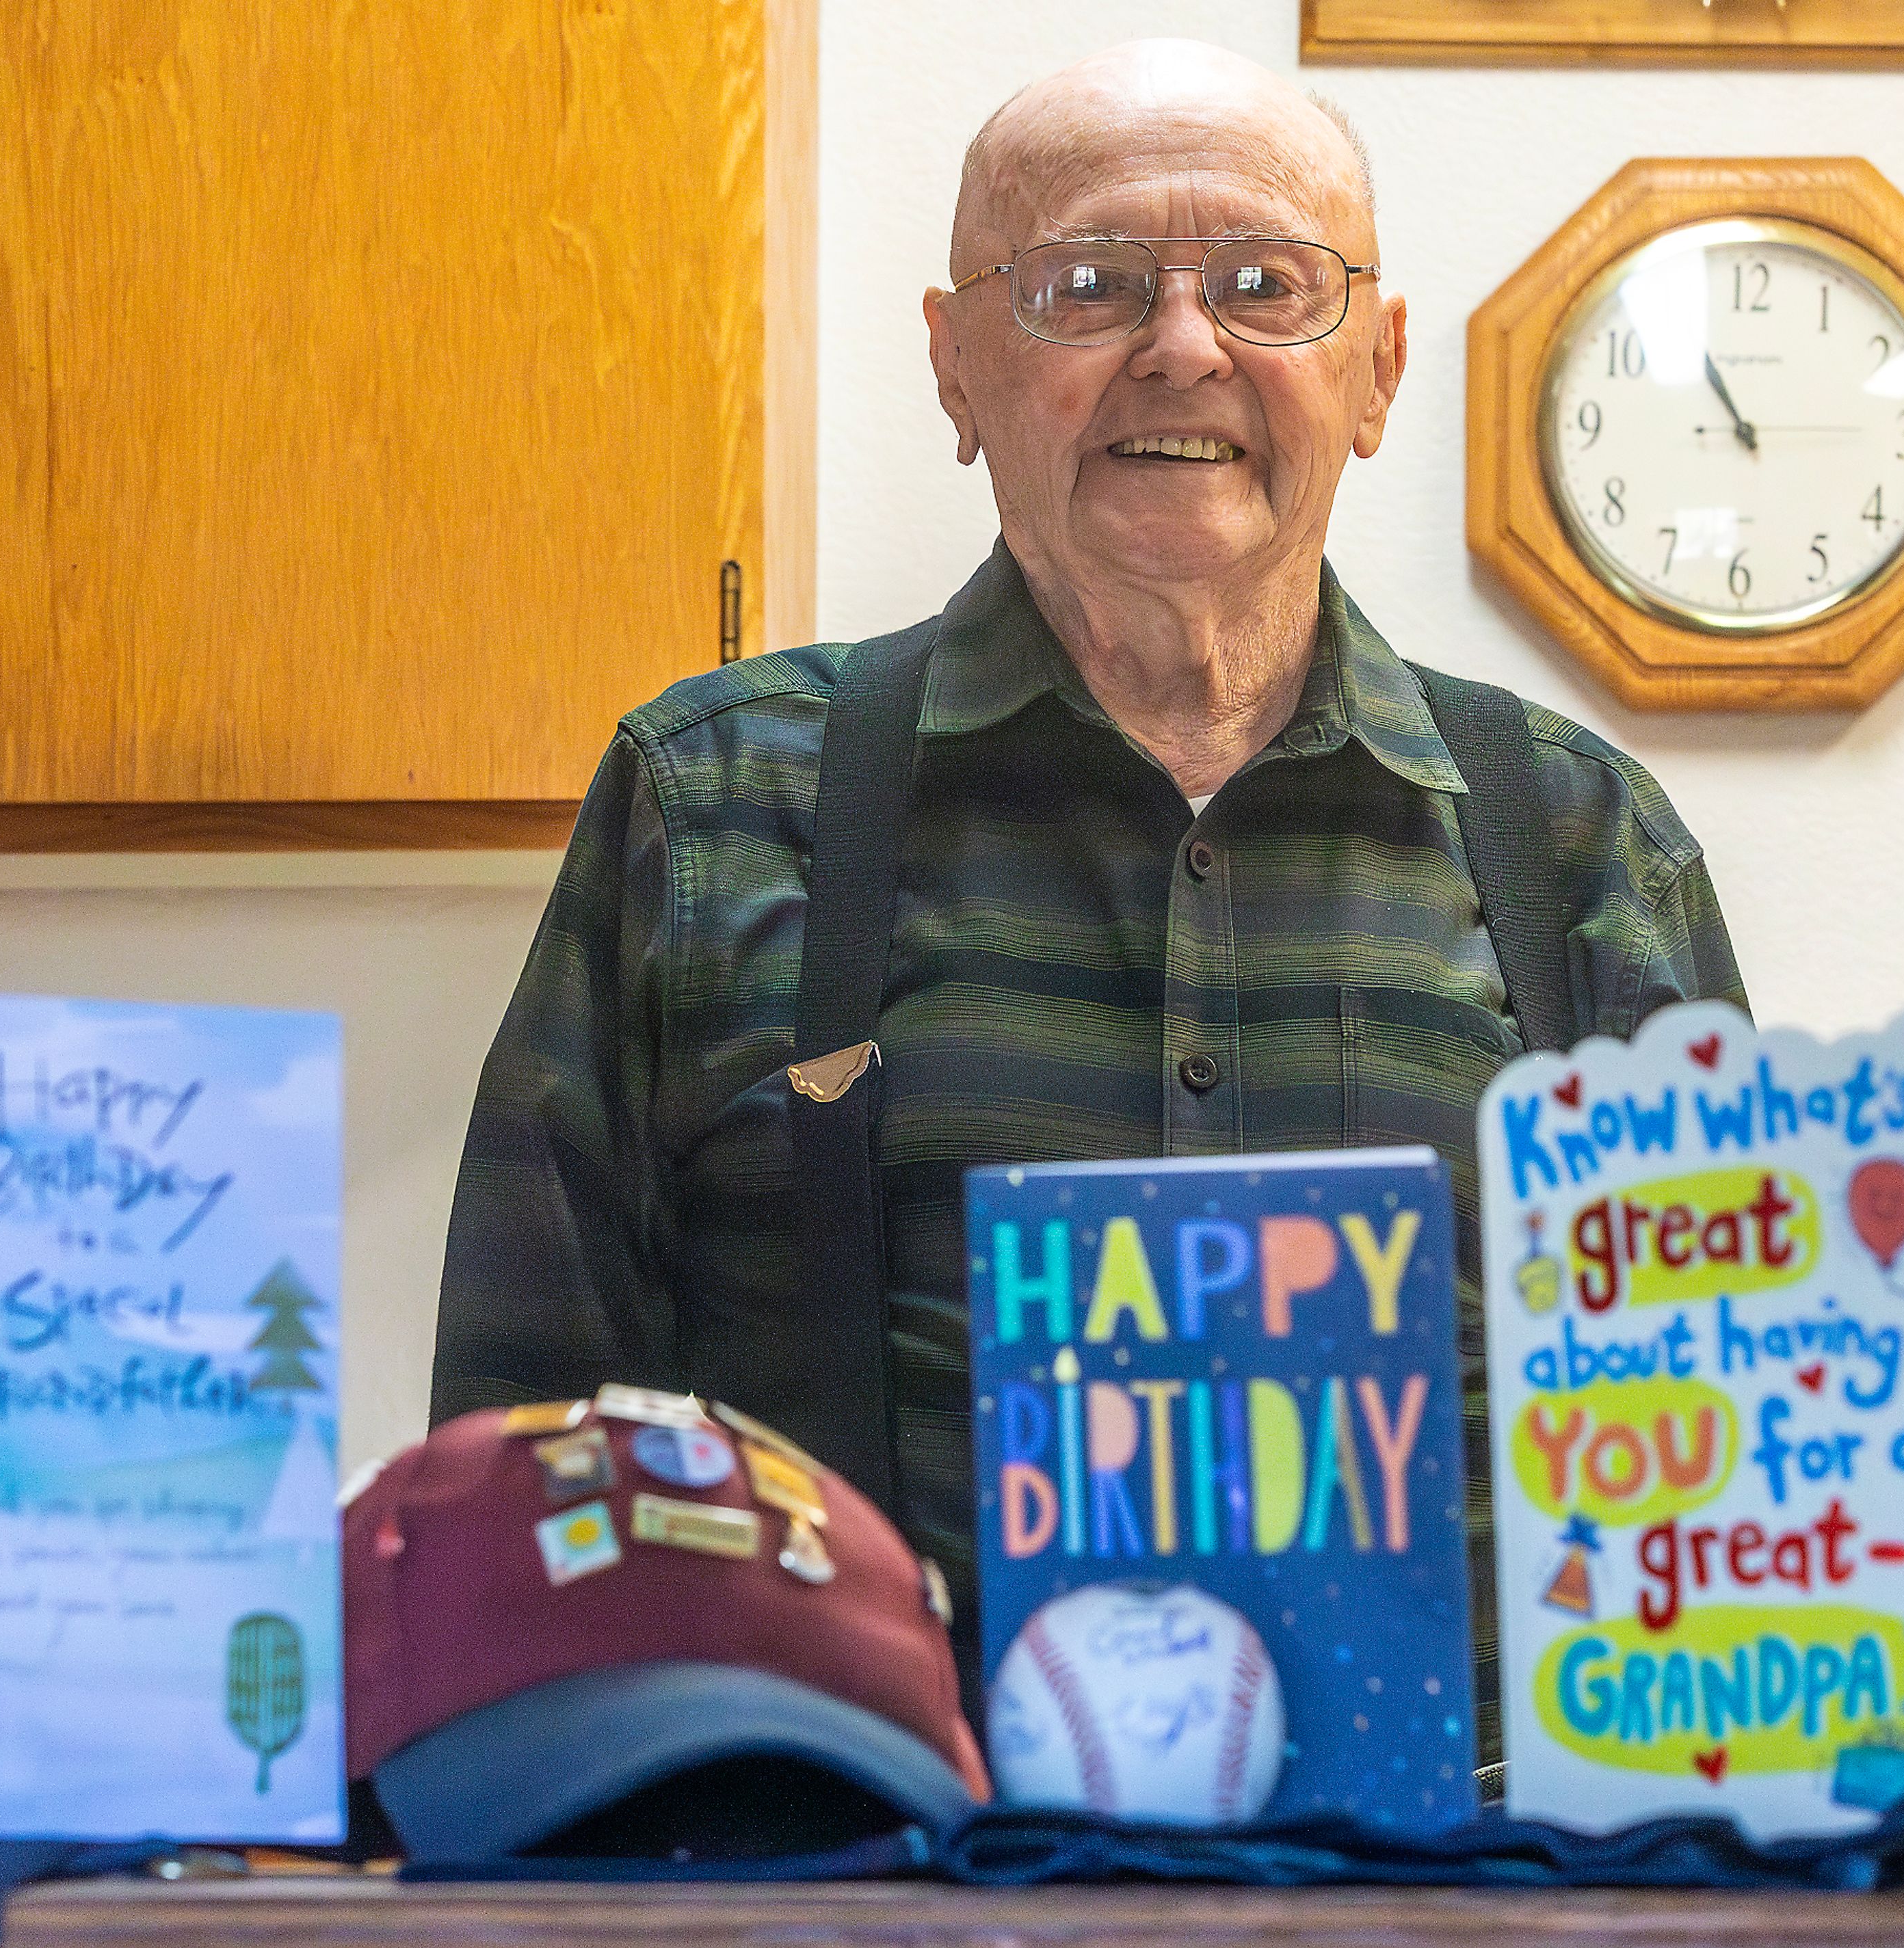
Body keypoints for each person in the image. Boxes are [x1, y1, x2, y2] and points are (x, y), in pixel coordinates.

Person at [432, 39, 1744, 1745]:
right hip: (878, 1892)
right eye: (1085, 286)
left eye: (1268, 285)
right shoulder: (715, 802)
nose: (1184, 346)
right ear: (956, 366)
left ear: (1378, 370)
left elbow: (1719, 1499)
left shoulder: (1581, 846)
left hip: (1467, 1902)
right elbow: (522, 1466)